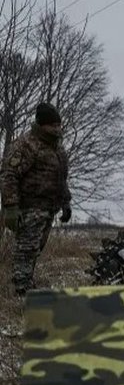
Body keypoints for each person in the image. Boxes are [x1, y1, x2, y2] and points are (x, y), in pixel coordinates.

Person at [1, 103, 72, 297]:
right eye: (53, 125)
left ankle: (26, 281)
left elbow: (61, 178)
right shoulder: (27, 144)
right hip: (30, 206)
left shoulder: (58, 149)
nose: (58, 129)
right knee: (26, 247)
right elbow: (9, 175)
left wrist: (66, 202)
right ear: (41, 125)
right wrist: (11, 207)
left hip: (50, 208)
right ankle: (21, 290)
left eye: (59, 125)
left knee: (36, 247)